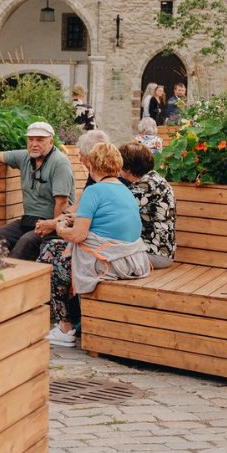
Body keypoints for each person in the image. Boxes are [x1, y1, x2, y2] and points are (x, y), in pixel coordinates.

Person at [39, 142, 151, 346]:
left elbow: (78, 236)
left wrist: (60, 229)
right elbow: (104, 222)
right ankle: (71, 319)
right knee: (53, 251)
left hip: (110, 262)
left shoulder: (94, 191)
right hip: (132, 259)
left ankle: (64, 327)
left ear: (92, 165)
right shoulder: (123, 189)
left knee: (51, 261)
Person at [0, 121, 77, 261]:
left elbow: (62, 202)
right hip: (29, 220)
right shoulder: (25, 156)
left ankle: (13, 279)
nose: (34, 144)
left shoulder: (60, 163)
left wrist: (53, 228)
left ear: (51, 141)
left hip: (52, 223)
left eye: (40, 140)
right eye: (31, 139)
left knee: (24, 244)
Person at [118, 141, 176, 269]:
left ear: (128, 168)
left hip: (154, 253)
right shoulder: (151, 178)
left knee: (99, 258)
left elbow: (116, 212)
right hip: (153, 251)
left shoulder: (145, 186)